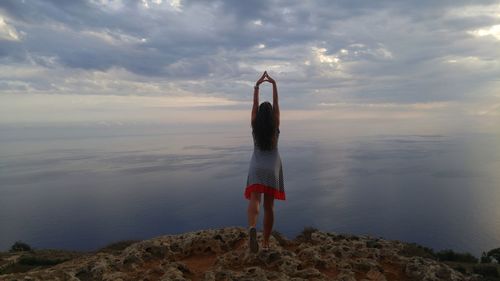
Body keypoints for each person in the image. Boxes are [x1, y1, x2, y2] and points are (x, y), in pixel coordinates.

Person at [245, 71, 286, 253]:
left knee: (255, 199)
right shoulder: (275, 125)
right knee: (269, 207)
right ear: (272, 116)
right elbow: (277, 104)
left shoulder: (254, 126)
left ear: (259, 115)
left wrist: (257, 85)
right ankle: (266, 243)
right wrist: (274, 84)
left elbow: (254, 105)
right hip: (272, 168)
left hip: (256, 167)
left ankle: (252, 227)